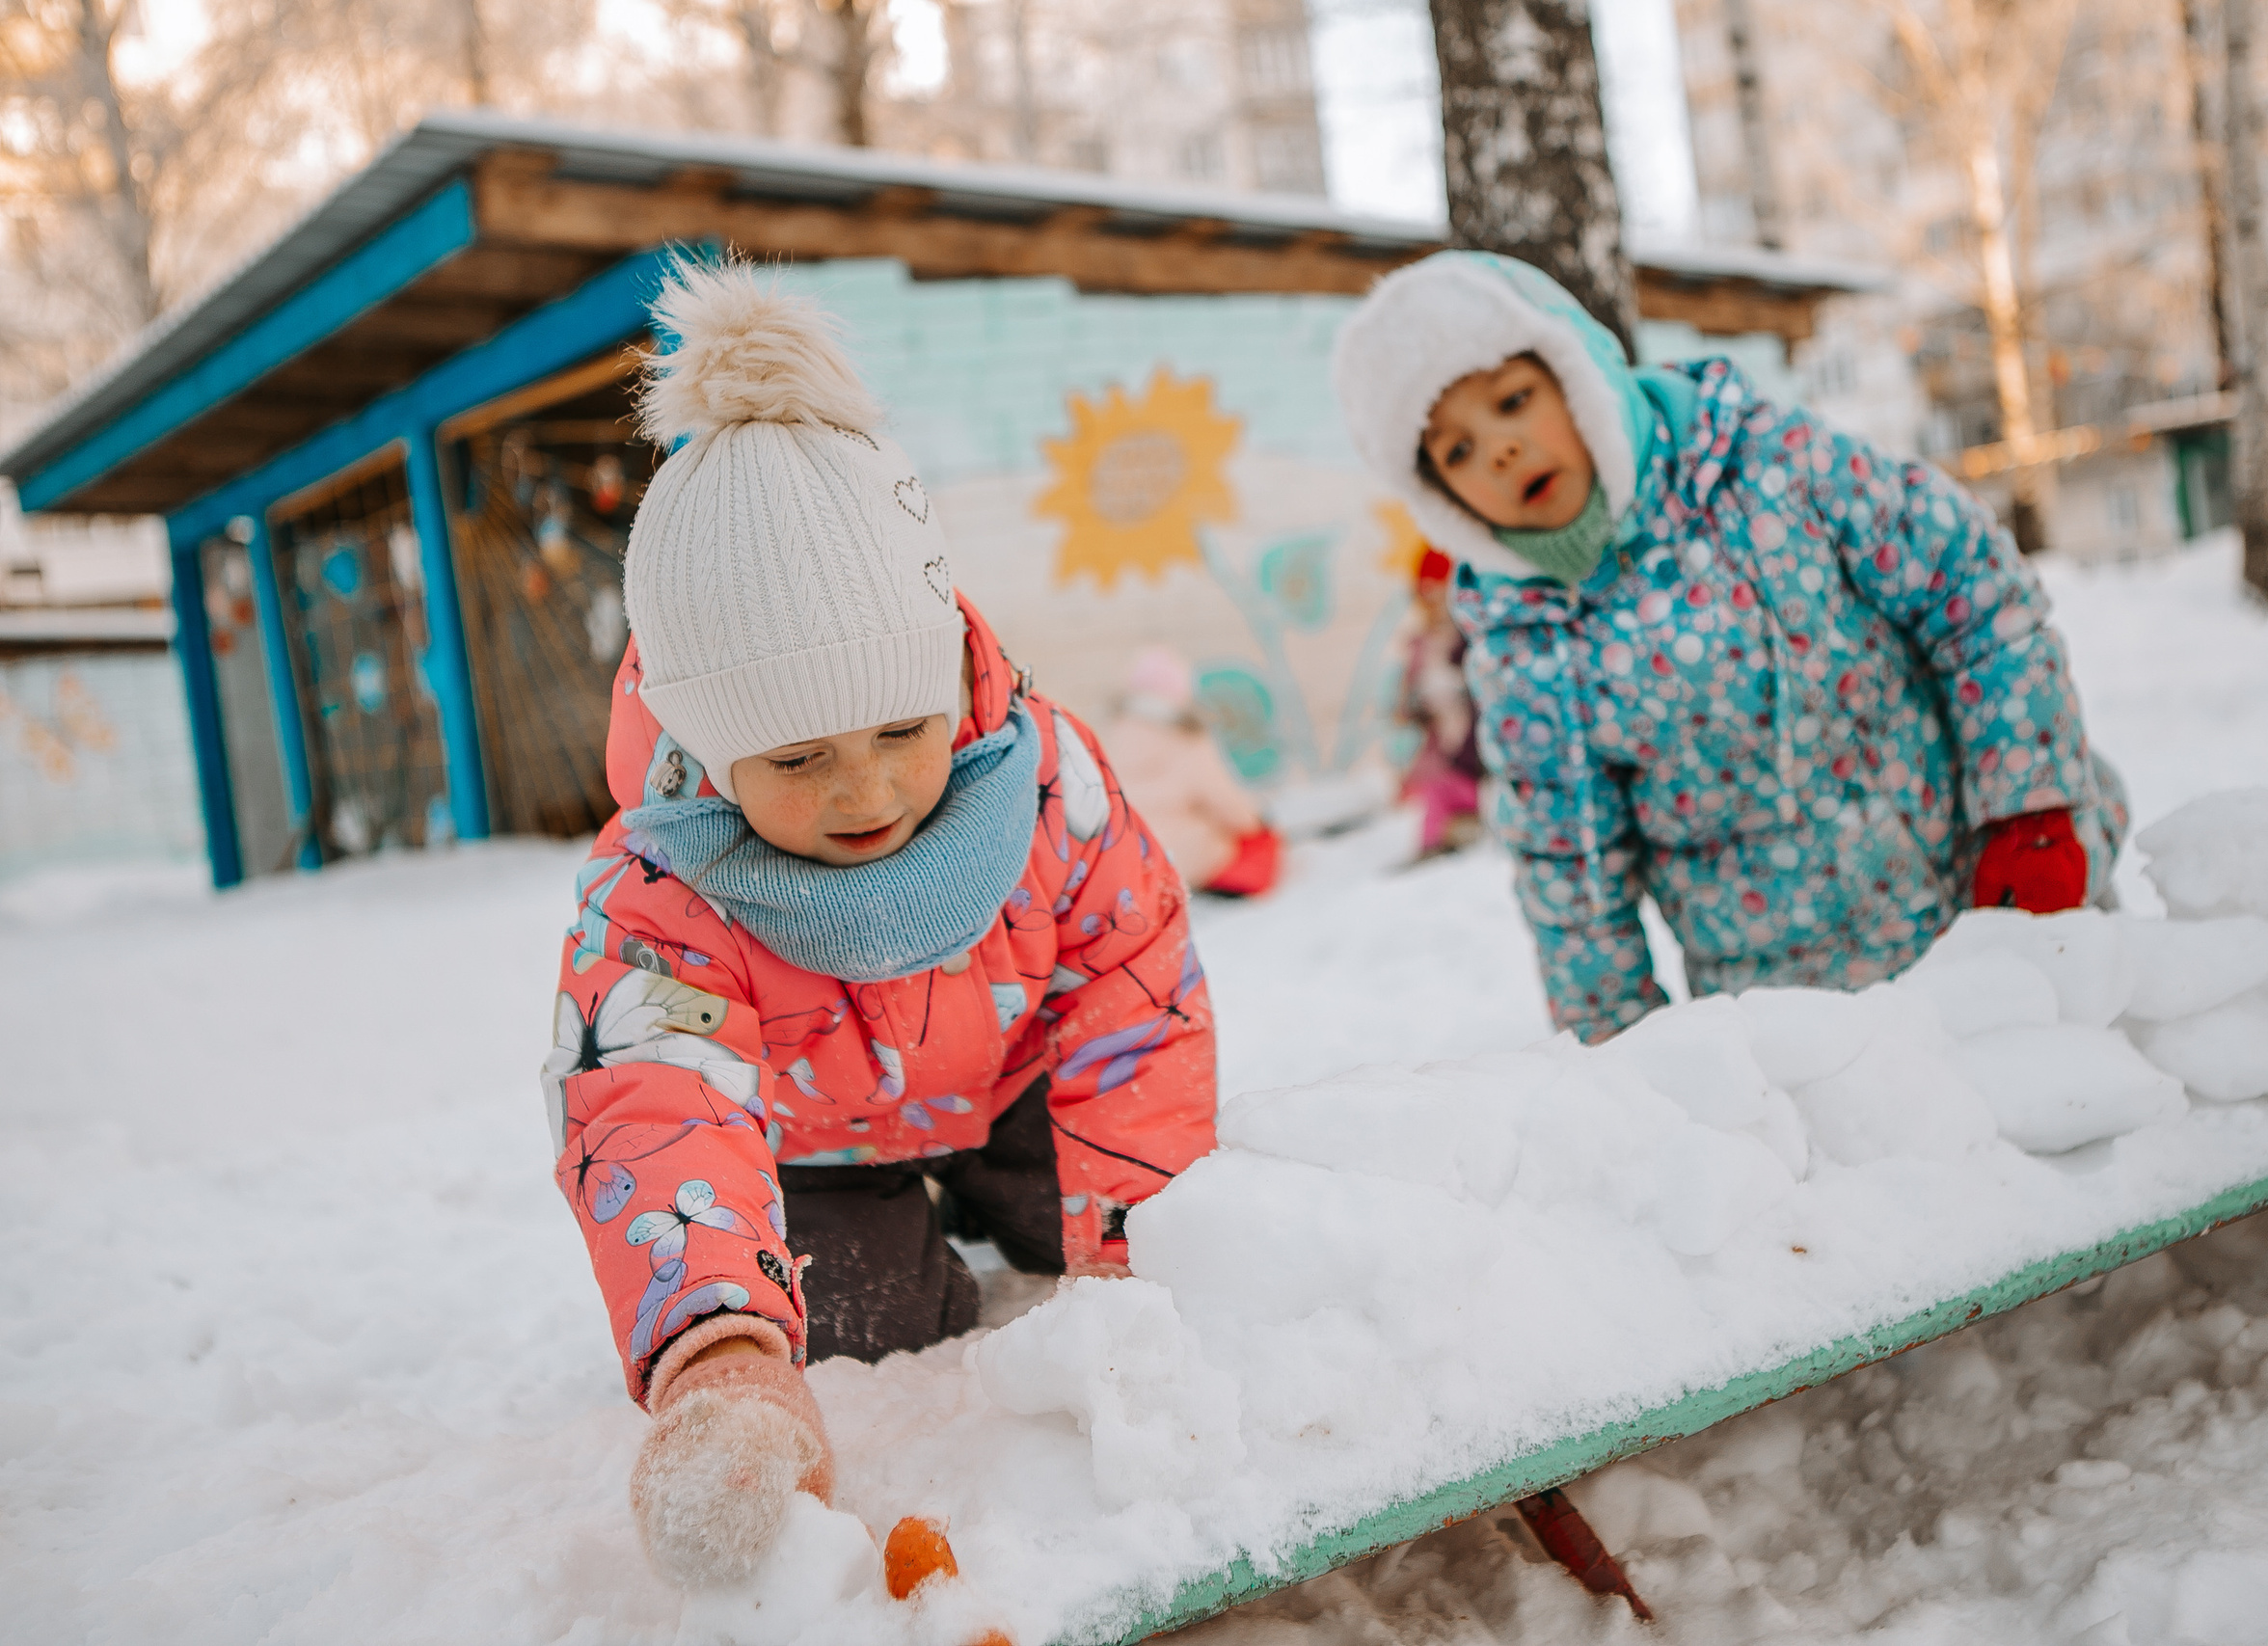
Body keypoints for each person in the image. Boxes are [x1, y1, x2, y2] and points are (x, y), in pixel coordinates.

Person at [543, 262, 1216, 1589]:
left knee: (1123, 1229)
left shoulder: (1044, 783)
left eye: (897, 730)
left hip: (1021, 1082)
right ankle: (874, 1247)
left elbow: (1135, 993)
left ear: (946, 680)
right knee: (869, 1322)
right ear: (709, 748)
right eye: (795, 760)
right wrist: (724, 1351)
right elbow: (654, 1102)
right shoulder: (661, 890)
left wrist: (1133, 1247)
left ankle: (1027, 1200)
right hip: (822, 1144)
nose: (863, 791)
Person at [1333, 251, 2128, 1045]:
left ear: (1577, 371)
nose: (1500, 450)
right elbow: (1575, 885)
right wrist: (1627, 1061)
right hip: (1803, 1030)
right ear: (1438, 495)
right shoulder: (1525, 649)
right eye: (1457, 450)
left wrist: (2032, 810)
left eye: (1513, 400)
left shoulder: (1767, 465)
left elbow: (1975, 598)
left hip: (1998, 906)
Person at [1101, 645, 1284, 898]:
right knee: (1261, 842)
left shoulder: (1114, 734)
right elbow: (1227, 802)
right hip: (1182, 857)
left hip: (1125, 859)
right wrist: (1258, 821)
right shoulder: (1185, 737)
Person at [1394, 546, 1485, 858]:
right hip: (1444, 760)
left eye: (1439, 594)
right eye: (1425, 595)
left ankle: (1469, 826)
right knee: (1433, 796)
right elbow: (1405, 708)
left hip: (1480, 759)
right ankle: (1440, 841)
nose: (1433, 605)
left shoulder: (1473, 641)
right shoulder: (1421, 646)